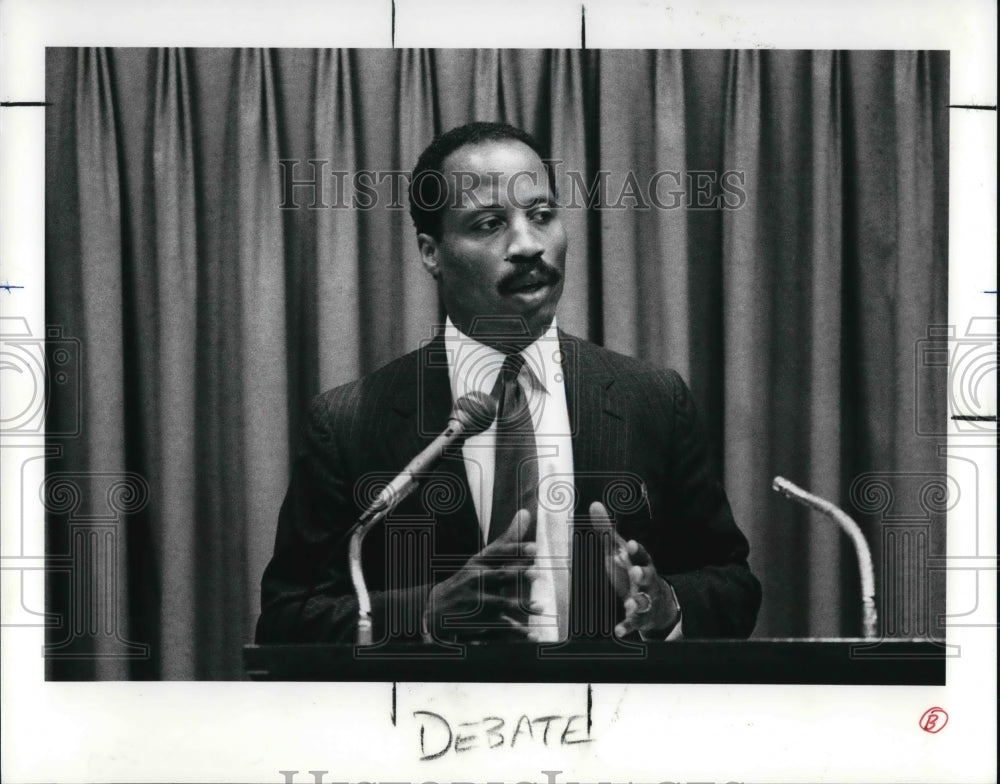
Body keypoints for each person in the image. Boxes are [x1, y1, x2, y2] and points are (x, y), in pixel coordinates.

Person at [255, 121, 761, 646]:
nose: (527, 244)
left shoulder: (653, 400)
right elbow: (287, 620)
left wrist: (665, 606)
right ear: (432, 252)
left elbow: (731, 582)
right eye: (490, 224)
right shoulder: (348, 423)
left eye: (542, 216)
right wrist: (426, 613)